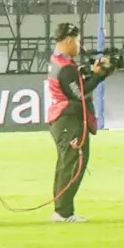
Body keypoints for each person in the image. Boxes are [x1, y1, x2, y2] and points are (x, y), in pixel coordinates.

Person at [44, 22, 114, 223]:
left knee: (66, 165)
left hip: (61, 119)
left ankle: (62, 210)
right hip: (69, 120)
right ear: (68, 41)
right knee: (73, 165)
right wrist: (99, 76)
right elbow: (80, 94)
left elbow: (76, 87)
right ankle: (63, 213)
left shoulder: (57, 62)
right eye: (77, 41)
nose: (79, 45)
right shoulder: (66, 68)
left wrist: (91, 74)